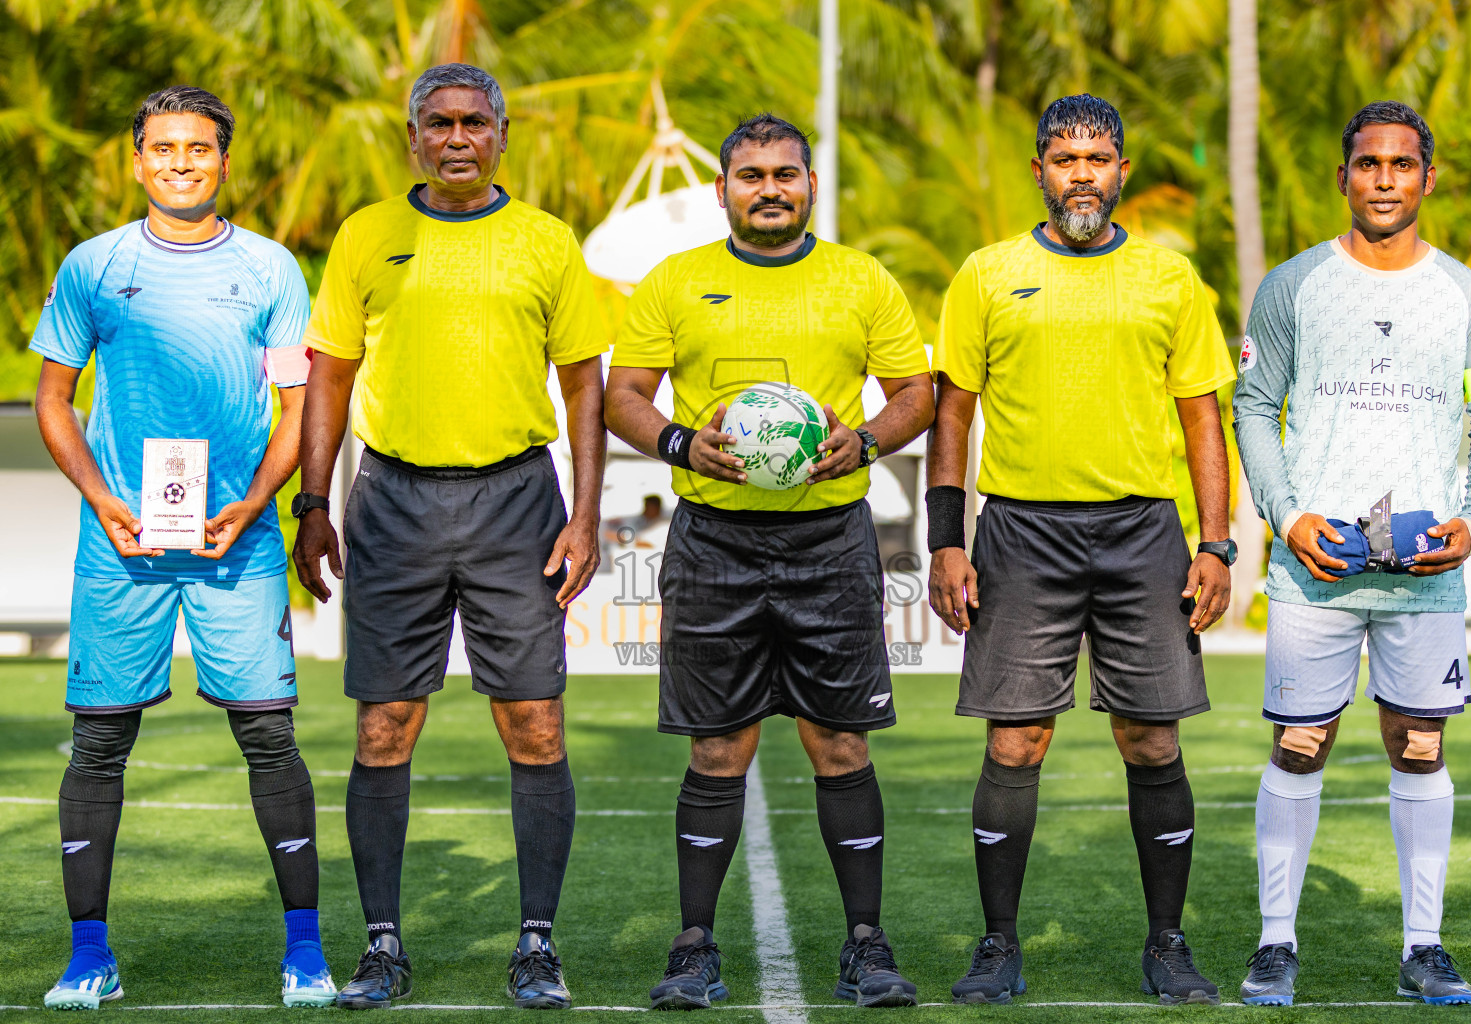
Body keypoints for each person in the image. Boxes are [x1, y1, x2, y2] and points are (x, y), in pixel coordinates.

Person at [291, 63, 607, 1010]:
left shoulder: (546, 241)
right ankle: (382, 946)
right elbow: (329, 376)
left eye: (474, 122)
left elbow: (584, 385)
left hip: (518, 500)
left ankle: (537, 945)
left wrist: (585, 515)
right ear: (414, 137)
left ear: (501, 136)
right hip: (392, 502)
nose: (457, 138)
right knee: (384, 725)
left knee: (534, 723)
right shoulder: (366, 235)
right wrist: (314, 502)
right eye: (439, 123)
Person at [605, 114, 935, 1010]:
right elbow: (622, 395)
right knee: (718, 746)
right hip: (714, 541)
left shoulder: (861, 278)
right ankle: (694, 947)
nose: (770, 189)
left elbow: (916, 392)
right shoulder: (675, 280)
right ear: (722, 190)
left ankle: (865, 945)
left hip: (830, 541)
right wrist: (681, 442)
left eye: (785, 174)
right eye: (750, 175)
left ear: (811, 185)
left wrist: (866, 440)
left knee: (839, 740)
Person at [928, 94, 1236, 1006]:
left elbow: (1203, 419)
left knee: (1150, 737)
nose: (1082, 175)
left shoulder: (1169, 277)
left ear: (1121, 170)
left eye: (1098, 159)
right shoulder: (987, 274)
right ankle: (998, 945)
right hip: (1021, 532)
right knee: (1016, 740)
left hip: (1143, 532)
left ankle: (1168, 944)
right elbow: (952, 416)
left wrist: (1216, 543)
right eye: (1065, 160)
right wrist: (946, 541)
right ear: (1040, 171)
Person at [30, 86, 333, 1010]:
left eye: (198, 149)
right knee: (98, 744)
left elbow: (298, 406)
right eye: (162, 148)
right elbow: (53, 399)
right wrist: (101, 499)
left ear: (224, 162)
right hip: (119, 545)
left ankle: (306, 952)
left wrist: (255, 503)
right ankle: (89, 957)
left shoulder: (272, 268)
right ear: (137, 162)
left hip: (236, 543)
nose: (180, 163)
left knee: (269, 736)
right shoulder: (94, 264)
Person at [1232, 101, 1471, 1007]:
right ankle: (1275, 944)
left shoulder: (1470, 297)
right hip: (1313, 571)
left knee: (1420, 746)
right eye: (1368, 164)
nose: (1384, 179)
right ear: (1344, 177)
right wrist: (1286, 517)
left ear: (1427, 178)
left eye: (1401, 164)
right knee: (1300, 744)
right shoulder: (1293, 286)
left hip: (1424, 578)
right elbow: (1254, 407)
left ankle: (1423, 949)